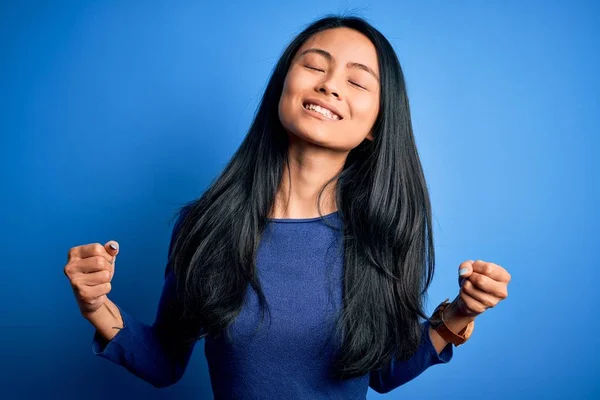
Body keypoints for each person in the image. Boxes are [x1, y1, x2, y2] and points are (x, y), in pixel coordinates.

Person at [63, 15, 511, 399]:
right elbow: (164, 362)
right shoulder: (208, 225)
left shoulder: (384, 234)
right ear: (283, 87)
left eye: (356, 81)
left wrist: (461, 314)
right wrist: (97, 305)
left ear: (376, 125)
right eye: (314, 65)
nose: (329, 84)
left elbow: (384, 372)